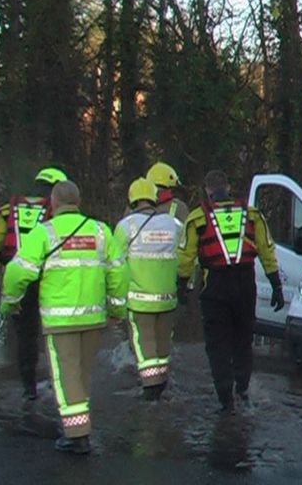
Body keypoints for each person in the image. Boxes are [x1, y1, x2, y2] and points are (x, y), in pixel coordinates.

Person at [0, 181, 127, 455]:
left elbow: (16, 273)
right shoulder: (100, 231)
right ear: (78, 202)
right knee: (80, 376)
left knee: (66, 377)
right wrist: (117, 310)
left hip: (61, 322)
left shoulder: (44, 233)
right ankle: (79, 425)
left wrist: (10, 303)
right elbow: (119, 273)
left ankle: (77, 435)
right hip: (93, 318)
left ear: (53, 203)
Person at [178, 170, 284, 414]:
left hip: (215, 285)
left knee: (218, 344)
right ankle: (243, 391)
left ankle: (226, 400)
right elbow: (267, 249)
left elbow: (185, 256)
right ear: (228, 186)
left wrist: (182, 285)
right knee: (243, 339)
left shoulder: (198, 217)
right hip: (245, 283)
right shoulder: (251, 214)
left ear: (207, 190)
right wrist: (276, 284)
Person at [0, 166, 68, 400]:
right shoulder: (56, 213)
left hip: (20, 281)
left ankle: (29, 388)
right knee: (56, 332)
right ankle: (59, 383)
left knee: (26, 336)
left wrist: (4, 258)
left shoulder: (8, 210)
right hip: (50, 280)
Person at [114, 178, 183, 401]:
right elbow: (186, 258)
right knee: (163, 348)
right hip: (167, 299)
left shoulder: (126, 226)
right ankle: (162, 385)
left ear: (132, 200)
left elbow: (115, 266)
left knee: (145, 350)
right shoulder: (174, 224)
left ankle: (150, 391)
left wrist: (113, 301)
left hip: (139, 301)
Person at [145, 161, 192, 302]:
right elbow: (189, 247)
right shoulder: (180, 208)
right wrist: (187, 284)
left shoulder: (135, 208)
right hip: (172, 279)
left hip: (142, 279)